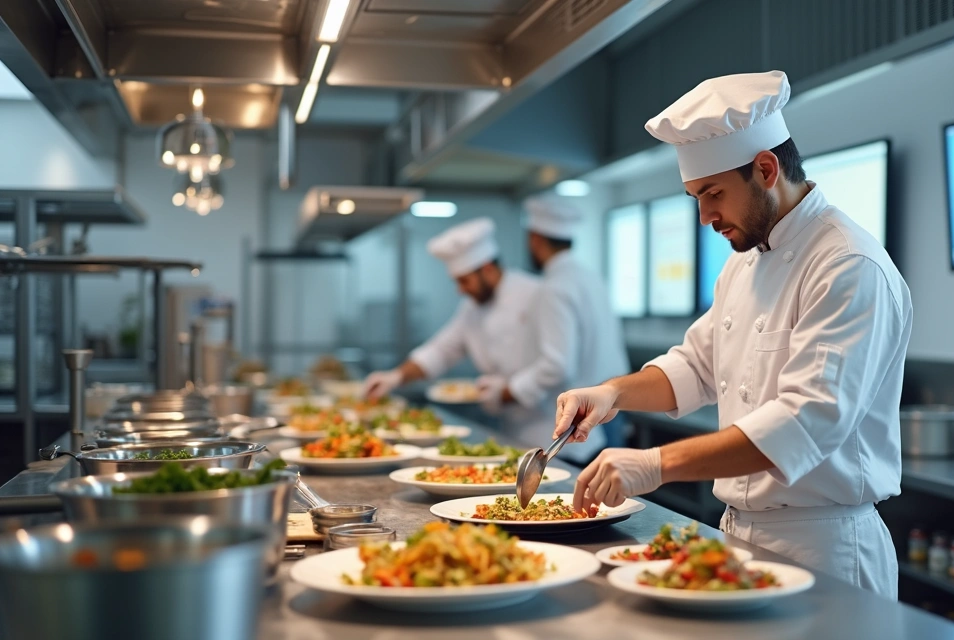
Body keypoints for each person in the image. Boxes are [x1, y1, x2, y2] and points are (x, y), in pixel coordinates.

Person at [551, 70, 913, 599]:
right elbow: (694, 367)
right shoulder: (744, 262)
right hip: (739, 537)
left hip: (826, 547)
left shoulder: (847, 264)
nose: (704, 217)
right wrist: (610, 394)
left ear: (766, 169)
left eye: (713, 193)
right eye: (696, 197)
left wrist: (656, 465)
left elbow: (805, 421)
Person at [362, 217, 562, 453]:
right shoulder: (473, 308)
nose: (460, 290)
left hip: (557, 428)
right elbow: (441, 350)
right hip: (514, 431)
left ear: (487, 269)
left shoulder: (538, 293)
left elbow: (557, 365)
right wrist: (395, 376)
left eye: (464, 281)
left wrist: (507, 392)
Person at [502, 196, 630, 455]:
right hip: (615, 406)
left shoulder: (554, 287)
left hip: (586, 419)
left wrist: (510, 391)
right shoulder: (591, 277)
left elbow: (557, 365)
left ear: (535, 239)